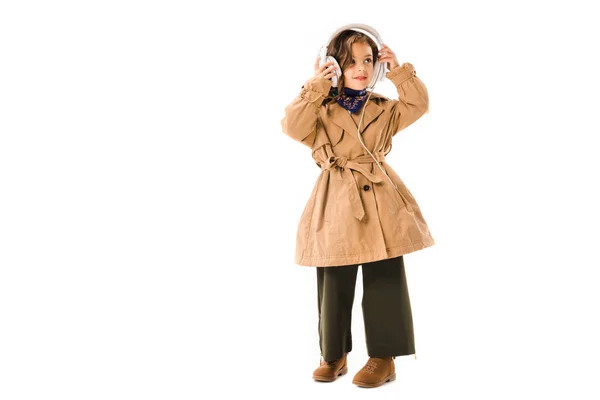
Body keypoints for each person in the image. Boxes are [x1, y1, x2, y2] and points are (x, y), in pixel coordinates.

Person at [280, 25, 435, 388]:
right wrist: (317, 85)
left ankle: (384, 357)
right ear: (334, 64)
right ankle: (333, 353)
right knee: (333, 277)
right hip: (336, 198)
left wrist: (399, 70)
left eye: (368, 60)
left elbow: (419, 104)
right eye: (350, 61)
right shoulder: (320, 109)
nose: (361, 68)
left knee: (385, 276)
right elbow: (291, 126)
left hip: (381, 199)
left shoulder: (384, 108)